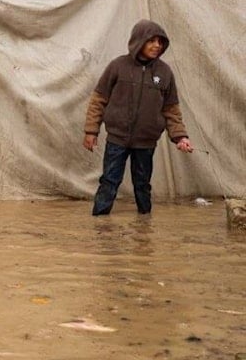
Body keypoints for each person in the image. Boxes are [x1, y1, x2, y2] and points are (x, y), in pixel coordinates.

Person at [83, 19, 193, 216]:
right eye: (151, 41)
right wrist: (91, 131)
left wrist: (180, 137)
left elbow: (171, 110)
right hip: (117, 139)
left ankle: (144, 222)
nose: (157, 45)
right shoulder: (117, 66)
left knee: (142, 184)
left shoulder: (165, 72)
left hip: (146, 142)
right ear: (138, 41)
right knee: (109, 180)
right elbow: (98, 100)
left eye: (160, 42)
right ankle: (99, 221)